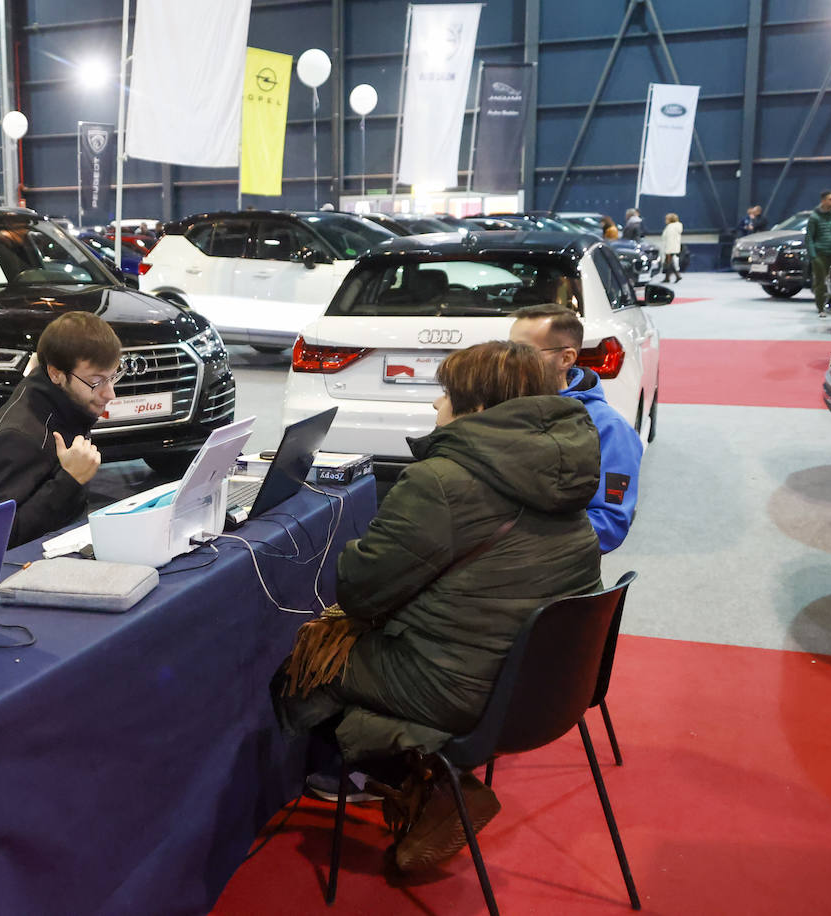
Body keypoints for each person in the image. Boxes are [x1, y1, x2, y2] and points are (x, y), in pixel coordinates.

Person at [274, 340, 602, 872]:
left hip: (463, 687)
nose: (435, 407)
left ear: (475, 406)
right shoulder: (568, 468)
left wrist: (356, 550)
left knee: (303, 662)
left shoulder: (442, 482)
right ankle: (408, 776)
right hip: (545, 686)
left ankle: (372, 776)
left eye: (445, 394)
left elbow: (358, 590)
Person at [0, 312, 122, 548]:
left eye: (113, 377)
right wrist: (69, 480)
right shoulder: (13, 439)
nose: (110, 393)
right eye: (96, 381)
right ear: (56, 374)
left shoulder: (66, 407)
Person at [509, 304, 644, 552]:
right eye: (508, 349)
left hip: (549, 571)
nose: (509, 360)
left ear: (566, 358)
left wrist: (517, 540)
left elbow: (610, 523)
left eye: (523, 351)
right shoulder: (502, 408)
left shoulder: (609, 429)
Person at [805, 189, 831, 318]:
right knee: (820, 282)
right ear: (823, 201)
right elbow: (809, 238)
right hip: (820, 255)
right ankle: (821, 308)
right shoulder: (815, 217)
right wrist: (813, 256)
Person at [660, 212, 683, 283]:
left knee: (670, 263)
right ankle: (667, 278)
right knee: (668, 263)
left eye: (666, 219)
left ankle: (677, 275)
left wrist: (667, 250)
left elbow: (669, 239)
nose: (665, 220)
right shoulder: (676, 226)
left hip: (670, 248)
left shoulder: (671, 227)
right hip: (674, 247)